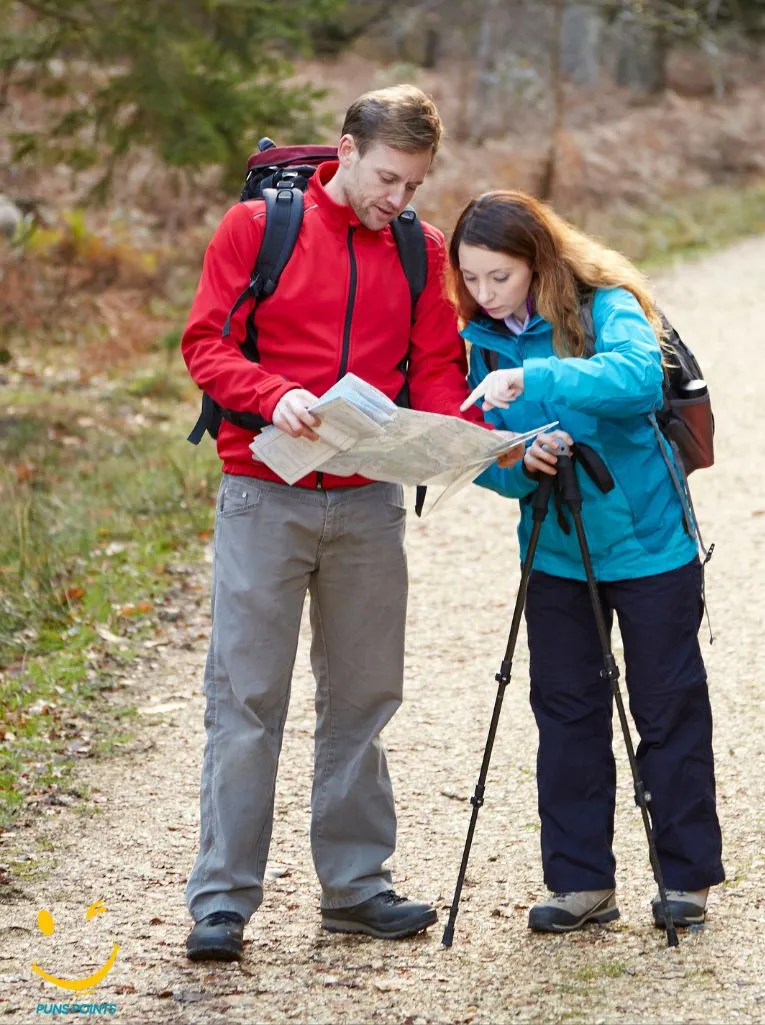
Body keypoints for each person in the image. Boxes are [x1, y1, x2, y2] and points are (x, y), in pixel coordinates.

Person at [179, 85, 514, 961]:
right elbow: (205, 345)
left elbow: (437, 365)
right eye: (387, 179)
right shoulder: (257, 230)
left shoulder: (418, 248)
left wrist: (460, 433)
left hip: (367, 499)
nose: (397, 199)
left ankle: (357, 889)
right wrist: (273, 392)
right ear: (346, 151)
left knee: (364, 697)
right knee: (247, 701)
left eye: (414, 184)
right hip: (265, 492)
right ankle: (221, 902)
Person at [451, 190, 725, 934]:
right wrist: (521, 459)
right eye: (470, 278)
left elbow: (636, 382)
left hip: (648, 544)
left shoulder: (607, 305)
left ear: (538, 262)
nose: (484, 293)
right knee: (564, 711)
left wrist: (535, 378)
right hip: (555, 552)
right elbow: (487, 459)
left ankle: (685, 877)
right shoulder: (479, 337)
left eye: (499, 277)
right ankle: (580, 883)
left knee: (666, 707)